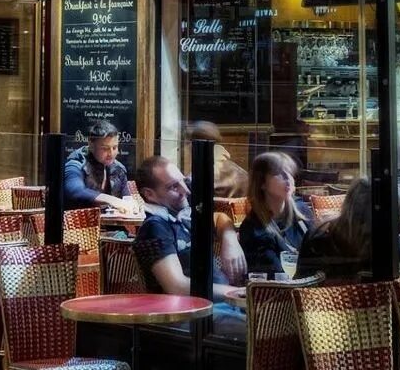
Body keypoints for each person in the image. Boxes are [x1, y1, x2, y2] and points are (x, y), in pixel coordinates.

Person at [215, 151, 307, 300]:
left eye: (289, 173)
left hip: (308, 295)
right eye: (279, 173)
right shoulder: (254, 230)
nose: (288, 179)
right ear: (262, 183)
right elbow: (276, 279)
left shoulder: (302, 211)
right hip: (276, 303)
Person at [301, 177, 400, 282]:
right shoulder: (385, 245)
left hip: (320, 310)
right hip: (376, 311)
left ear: (348, 204)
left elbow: (299, 282)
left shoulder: (317, 237)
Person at [129, 153, 195, 297]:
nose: (186, 190)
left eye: (183, 182)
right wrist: (233, 292)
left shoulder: (180, 216)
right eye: (173, 187)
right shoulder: (155, 226)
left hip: (217, 303)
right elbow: (177, 287)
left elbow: (218, 218)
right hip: (192, 311)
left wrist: (229, 236)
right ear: (149, 194)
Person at [62, 119, 129, 208]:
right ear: (92, 146)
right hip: (78, 220)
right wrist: (112, 200)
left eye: (115, 147)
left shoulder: (119, 169)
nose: (111, 153)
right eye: (105, 148)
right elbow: (75, 191)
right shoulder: (76, 164)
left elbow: (126, 198)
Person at [183, 120, 250, 199]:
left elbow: (193, 193)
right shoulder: (237, 170)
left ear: (195, 145)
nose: (185, 148)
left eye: (187, 143)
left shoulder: (207, 169)